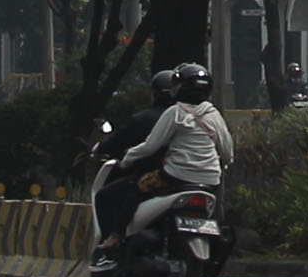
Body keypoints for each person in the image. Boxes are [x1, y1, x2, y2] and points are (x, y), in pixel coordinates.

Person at [95, 61, 231, 251]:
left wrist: (127, 160)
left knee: (138, 186)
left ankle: (116, 236)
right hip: (210, 180)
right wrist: (221, 164)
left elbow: (151, 147)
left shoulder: (175, 113)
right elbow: (227, 151)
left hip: (176, 176)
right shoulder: (213, 115)